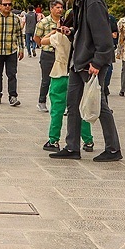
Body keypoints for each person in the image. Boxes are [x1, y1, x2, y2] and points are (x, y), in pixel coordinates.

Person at [49, 0, 122, 162]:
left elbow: (103, 34)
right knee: (72, 103)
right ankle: (72, 146)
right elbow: (85, 30)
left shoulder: (93, 1)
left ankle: (113, 148)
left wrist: (98, 61)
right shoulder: (80, 2)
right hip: (78, 61)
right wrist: (71, 31)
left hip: (90, 62)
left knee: (99, 104)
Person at [40, 11, 93, 152]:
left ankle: (54, 140)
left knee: (57, 109)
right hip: (77, 75)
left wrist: (55, 30)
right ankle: (88, 140)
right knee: (79, 108)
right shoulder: (81, 37)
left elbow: (42, 41)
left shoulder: (60, 36)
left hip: (60, 73)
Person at [0, 0, 24, 106]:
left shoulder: (15, 19)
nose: (7, 6)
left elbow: (19, 35)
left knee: (12, 74)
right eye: (5, 4)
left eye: (9, 4)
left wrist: (21, 49)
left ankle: (13, 96)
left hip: (11, 51)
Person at [34, 0, 65, 113]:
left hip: (61, 54)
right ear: (51, 9)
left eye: (61, 7)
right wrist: (43, 45)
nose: (60, 10)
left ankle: (60, 103)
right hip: (48, 53)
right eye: (57, 7)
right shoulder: (44, 22)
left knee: (61, 79)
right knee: (46, 79)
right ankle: (42, 101)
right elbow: (36, 37)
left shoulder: (64, 21)